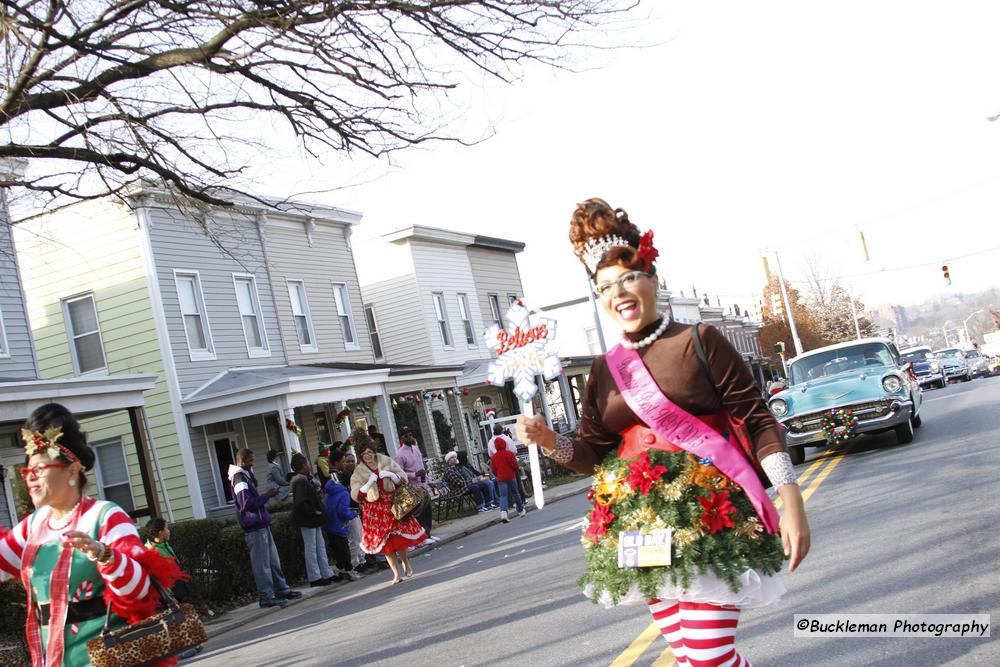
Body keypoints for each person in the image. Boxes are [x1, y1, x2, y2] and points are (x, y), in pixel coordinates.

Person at [516, 199, 811, 667]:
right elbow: (595, 454)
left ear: (652, 278)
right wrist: (550, 442)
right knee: (690, 657)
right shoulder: (602, 370)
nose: (620, 292)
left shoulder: (699, 341)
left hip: (708, 514)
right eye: (606, 285)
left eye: (629, 276)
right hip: (640, 527)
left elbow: (757, 420)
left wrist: (790, 497)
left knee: (709, 658)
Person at [0, 403, 185, 666]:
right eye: (27, 472)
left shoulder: (105, 516)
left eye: (39, 470)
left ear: (72, 470)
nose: (30, 479)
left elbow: (141, 589)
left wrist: (104, 554)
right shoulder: (34, 526)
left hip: (107, 658)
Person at [348, 428, 426, 584]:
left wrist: (392, 476)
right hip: (375, 511)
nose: (368, 456)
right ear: (360, 456)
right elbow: (356, 495)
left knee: (398, 540)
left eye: (370, 453)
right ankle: (396, 574)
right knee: (387, 545)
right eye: (364, 454)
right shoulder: (358, 472)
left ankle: (406, 564)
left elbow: (403, 478)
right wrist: (369, 483)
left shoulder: (385, 461)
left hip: (392, 506)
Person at [228, 449, 303, 608]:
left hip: (261, 524)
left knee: (273, 562)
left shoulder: (245, 476)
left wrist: (264, 496)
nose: (252, 463)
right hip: (254, 527)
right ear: (241, 460)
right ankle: (267, 596)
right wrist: (267, 496)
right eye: (249, 460)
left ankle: (282, 590)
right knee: (262, 565)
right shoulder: (239, 478)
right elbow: (245, 504)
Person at [144, 518, 205, 659]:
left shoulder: (165, 545)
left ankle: (191, 643)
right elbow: (157, 577)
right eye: (166, 528)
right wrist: (167, 593)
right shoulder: (152, 550)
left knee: (182, 615)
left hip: (178, 586)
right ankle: (181, 650)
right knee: (172, 620)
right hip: (167, 591)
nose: (169, 531)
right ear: (160, 532)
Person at [289, 453, 337, 587]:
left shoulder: (306, 480)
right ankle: (315, 577)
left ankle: (326, 572)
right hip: (308, 519)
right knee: (311, 547)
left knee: (320, 546)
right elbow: (300, 502)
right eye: (307, 463)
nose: (309, 465)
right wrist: (313, 511)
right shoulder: (300, 482)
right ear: (303, 466)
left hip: (314, 519)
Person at [331, 448, 378, 574]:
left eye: (352, 461)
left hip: (356, 509)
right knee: (354, 539)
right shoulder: (337, 476)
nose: (348, 463)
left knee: (360, 537)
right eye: (345, 461)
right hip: (349, 510)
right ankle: (355, 563)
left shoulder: (352, 475)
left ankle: (362, 560)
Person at [394, 433, 435, 542]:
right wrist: (414, 474)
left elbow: (422, 467)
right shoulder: (400, 454)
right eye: (407, 436)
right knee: (419, 513)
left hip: (423, 485)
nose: (410, 437)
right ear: (402, 438)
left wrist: (429, 481)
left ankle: (428, 534)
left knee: (428, 511)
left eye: (411, 435)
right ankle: (422, 537)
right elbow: (400, 473)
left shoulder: (416, 449)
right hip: (412, 488)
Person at [321, 477, 363, 581]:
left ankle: (341, 569)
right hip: (339, 525)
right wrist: (354, 513)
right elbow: (343, 511)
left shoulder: (328, 492)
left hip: (329, 524)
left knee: (337, 549)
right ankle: (349, 570)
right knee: (344, 549)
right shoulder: (343, 493)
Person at [490, 438, 525, 523]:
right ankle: (520, 510)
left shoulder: (494, 457)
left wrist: (497, 475)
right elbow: (516, 466)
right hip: (510, 476)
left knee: (503, 496)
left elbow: (493, 469)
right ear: (504, 444)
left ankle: (503, 513)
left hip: (501, 478)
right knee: (515, 492)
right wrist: (514, 471)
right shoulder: (510, 454)